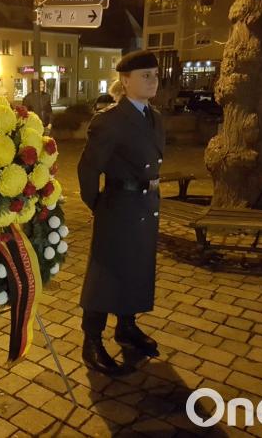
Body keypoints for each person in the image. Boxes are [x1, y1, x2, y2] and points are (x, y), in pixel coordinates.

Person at [76, 50, 166, 376]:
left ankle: (126, 328)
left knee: (136, 271)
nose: (153, 80)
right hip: (118, 206)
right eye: (145, 75)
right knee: (106, 276)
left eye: (155, 74)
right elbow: (88, 171)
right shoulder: (109, 121)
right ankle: (92, 341)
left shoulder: (154, 117)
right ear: (125, 81)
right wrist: (99, 205)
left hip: (145, 206)